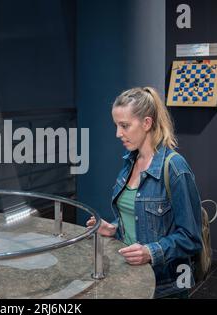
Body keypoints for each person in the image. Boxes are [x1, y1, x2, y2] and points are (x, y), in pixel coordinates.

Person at [87, 87, 203, 299]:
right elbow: (140, 219)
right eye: (116, 126)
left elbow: (191, 238)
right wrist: (114, 228)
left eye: (124, 126)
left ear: (147, 123)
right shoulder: (129, 161)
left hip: (165, 286)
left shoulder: (175, 168)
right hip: (133, 278)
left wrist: (151, 252)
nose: (118, 134)